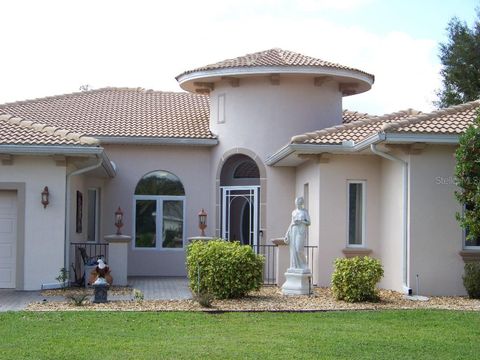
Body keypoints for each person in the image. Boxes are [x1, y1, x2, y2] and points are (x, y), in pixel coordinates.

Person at [284, 197, 310, 271]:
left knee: (299, 249)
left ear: (301, 203)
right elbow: (291, 223)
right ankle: (295, 266)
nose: (297, 204)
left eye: (299, 203)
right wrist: (287, 233)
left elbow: (309, 222)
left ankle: (304, 265)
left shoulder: (305, 212)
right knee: (293, 250)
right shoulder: (294, 212)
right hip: (293, 230)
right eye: (296, 203)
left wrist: (301, 221)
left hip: (301, 231)